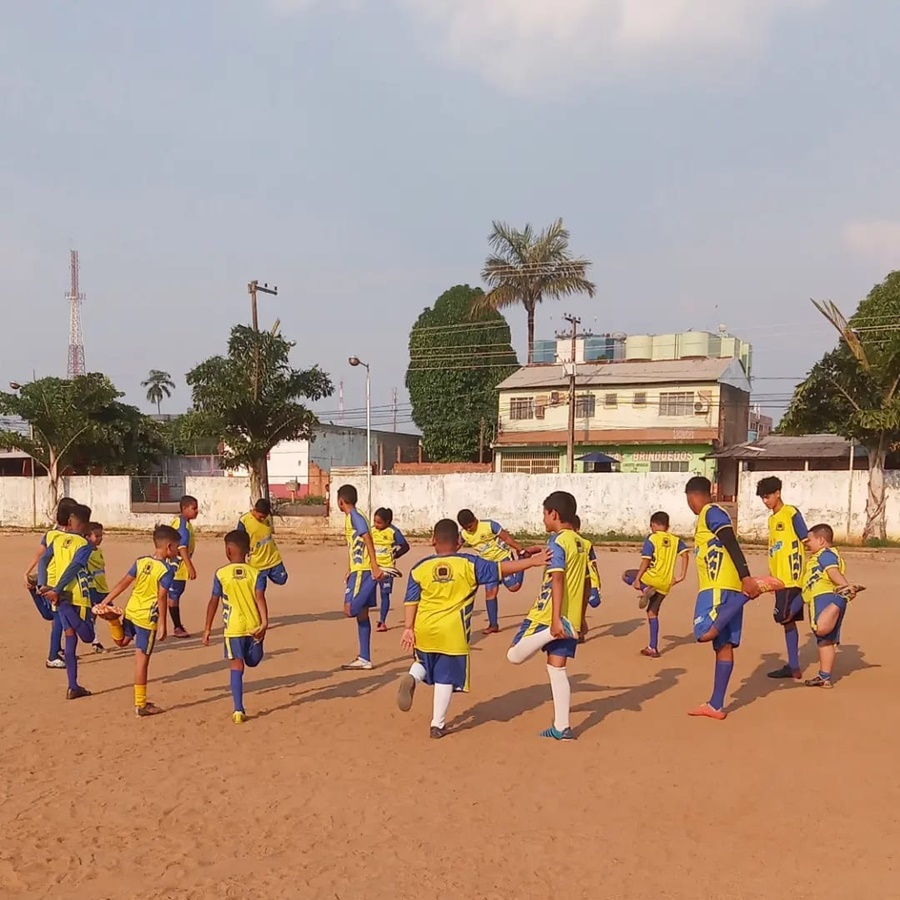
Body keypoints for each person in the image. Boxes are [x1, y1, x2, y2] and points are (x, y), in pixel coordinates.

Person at [396, 518, 546, 738]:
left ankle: (412, 677)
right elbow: (502, 568)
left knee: (423, 662)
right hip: (453, 632)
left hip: (424, 628)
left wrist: (408, 627)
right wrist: (532, 562)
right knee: (445, 677)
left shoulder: (420, 568)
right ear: (459, 542)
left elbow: (411, 601)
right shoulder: (470, 564)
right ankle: (437, 724)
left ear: (433, 541)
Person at [506, 491, 589, 741]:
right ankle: (562, 727)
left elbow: (558, 577)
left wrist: (554, 621)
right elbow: (585, 583)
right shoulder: (582, 544)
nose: (543, 519)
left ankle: (549, 633)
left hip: (547, 615)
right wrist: (581, 617)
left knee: (513, 655)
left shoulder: (557, 542)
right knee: (557, 670)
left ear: (554, 514)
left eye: (544, 514)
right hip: (572, 617)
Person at [685, 477, 760, 721]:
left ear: (691, 497)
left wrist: (746, 578)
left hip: (717, 586)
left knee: (703, 632)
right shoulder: (712, 515)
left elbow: (730, 540)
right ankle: (716, 705)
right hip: (729, 585)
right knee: (723, 646)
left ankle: (746, 596)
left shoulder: (710, 512)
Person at [98, 525, 180, 717]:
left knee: (122, 641)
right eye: (176, 547)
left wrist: (105, 602)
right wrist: (162, 625)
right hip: (146, 619)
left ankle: (113, 621)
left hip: (131, 611)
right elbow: (161, 597)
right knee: (141, 662)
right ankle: (141, 704)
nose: (177, 550)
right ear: (168, 547)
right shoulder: (167, 570)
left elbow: (123, 582)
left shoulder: (141, 561)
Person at [202, 530, 269, 723]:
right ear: (248, 550)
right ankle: (238, 709)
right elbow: (260, 599)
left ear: (228, 551)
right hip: (254, 626)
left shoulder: (221, 574)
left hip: (233, 628)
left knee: (240, 664)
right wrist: (265, 622)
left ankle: (238, 709)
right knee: (250, 661)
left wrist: (207, 628)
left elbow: (213, 601)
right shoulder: (256, 574)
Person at [36, 503, 95, 700]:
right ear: (86, 526)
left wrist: (44, 585)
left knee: (70, 639)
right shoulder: (85, 545)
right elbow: (75, 567)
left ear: (69, 522)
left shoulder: (59, 539)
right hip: (76, 595)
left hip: (57, 594)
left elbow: (43, 560)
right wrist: (58, 591)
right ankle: (73, 686)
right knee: (87, 635)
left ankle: (73, 686)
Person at [756, 476, 809, 681]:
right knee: (788, 623)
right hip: (778, 578)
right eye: (762, 498)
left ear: (778, 493)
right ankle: (793, 666)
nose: (765, 501)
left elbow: (806, 539)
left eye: (767, 496)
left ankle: (806, 594)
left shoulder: (791, 513)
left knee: (781, 616)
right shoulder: (771, 519)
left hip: (791, 577)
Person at [622, 511, 690, 658]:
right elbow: (685, 554)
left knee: (626, 574)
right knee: (652, 612)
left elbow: (646, 560)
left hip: (652, 578)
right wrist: (681, 576)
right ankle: (652, 647)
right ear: (668, 526)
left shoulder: (652, 538)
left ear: (652, 524)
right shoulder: (676, 540)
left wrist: (638, 580)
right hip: (666, 583)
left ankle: (646, 589)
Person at [24, 496, 78, 669]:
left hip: (51, 580)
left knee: (57, 618)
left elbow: (39, 555)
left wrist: (27, 571)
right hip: (56, 583)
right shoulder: (69, 537)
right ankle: (53, 656)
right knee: (57, 617)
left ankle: (58, 649)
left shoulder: (51, 534)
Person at [801, 524, 857, 689]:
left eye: (809, 540)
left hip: (824, 597)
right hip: (824, 599)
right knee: (825, 641)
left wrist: (846, 587)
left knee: (820, 629)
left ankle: (842, 597)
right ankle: (824, 677)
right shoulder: (823, 555)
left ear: (821, 540)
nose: (807, 544)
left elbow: (833, 572)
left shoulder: (825, 555)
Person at [457, 509, 526, 635]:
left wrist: (520, 549)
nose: (470, 529)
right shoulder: (463, 534)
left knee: (514, 587)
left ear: (475, 519)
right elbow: (455, 546)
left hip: (502, 559)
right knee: (490, 594)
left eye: (471, 526)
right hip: (488, 566)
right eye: (466, 528)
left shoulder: (489, 525)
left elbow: (507, 538)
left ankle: (521, 561)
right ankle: (493, 625)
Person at [337, 484, 384, 670]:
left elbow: (366, 537)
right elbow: (355, 545)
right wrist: (349, 567)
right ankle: (364, 658)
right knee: (362, 615)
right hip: (358, 568)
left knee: (350, 610)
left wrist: (374, 566)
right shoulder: (354, 516)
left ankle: (376, 579)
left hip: (364, 571)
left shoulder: (355, 516)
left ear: (341, 501)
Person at [372, 507, 410, 632]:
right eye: (375, 521)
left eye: (379, 522)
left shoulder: (393, 532)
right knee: (367, 593)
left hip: (387, 569)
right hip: (372, 567)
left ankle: (382, 621)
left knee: (384, 594)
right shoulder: (371, 531)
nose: (376, 525)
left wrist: (395, 555)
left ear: (387, 522)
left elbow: (405, 546)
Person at [238, 498, 289, 586]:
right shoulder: (244, 520)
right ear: (254, 510)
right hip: (257, 564)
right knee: (259, 592)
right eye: (260, 516)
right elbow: (239, 542)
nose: (262, 519)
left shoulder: (268, 517)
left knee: (282, 580)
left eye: (264, 517)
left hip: (273, 559)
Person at [169, 494, 199, 638]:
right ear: (185, 508)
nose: (196, 511)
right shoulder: (182, 526)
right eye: (194, 508)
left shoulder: (182, 522)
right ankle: (177, 627)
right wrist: (190, 567)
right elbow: (182, 548)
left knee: (173, 595)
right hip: (177, 567)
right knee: (172, 596)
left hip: (177, 566)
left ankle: (177, 625)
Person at [573, 515, 601, 644]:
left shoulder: (586, 544)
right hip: (571, 579)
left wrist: (596, 585)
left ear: (577, 529)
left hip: (585, 579)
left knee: (582, 607)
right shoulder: (561, 542)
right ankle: (578, 628)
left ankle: (579, 631)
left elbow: (592, 564)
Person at [86, 522, 107, 654]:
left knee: (108, 613)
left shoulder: (99, 551)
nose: (100, 538)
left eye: (101, 535)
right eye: (97, 536)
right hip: (91, 587)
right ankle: (95, 641)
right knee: (92, 614)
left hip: (102, 587)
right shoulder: (84, 551)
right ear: (88, 536)